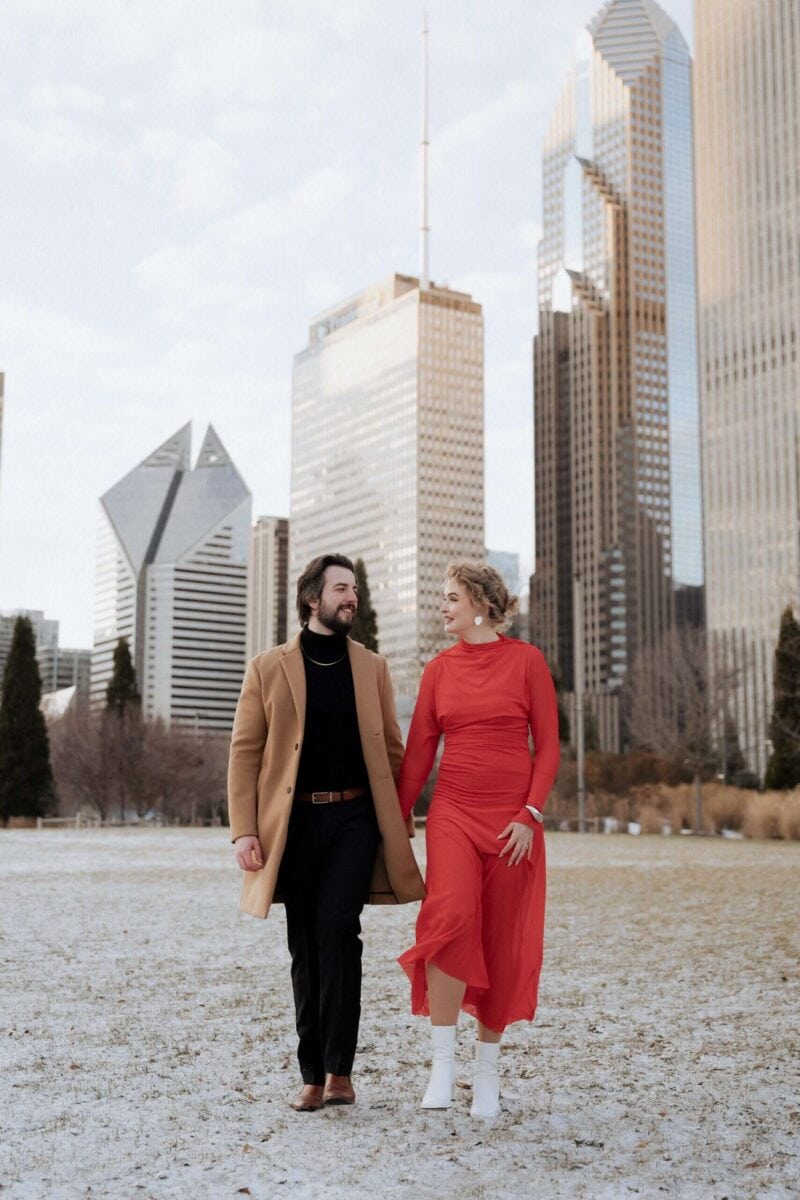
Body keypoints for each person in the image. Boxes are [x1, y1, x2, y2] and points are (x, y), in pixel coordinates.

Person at [228, 553, 424, 1113]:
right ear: (313, 599)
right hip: (293, 824)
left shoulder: (373, 667)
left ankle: (341, 1071)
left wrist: (400, 816)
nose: (352, 597)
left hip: (355, 819)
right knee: (305, 945)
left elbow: (391, 747)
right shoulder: (268, 667)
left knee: (340, 930)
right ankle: (311, 1074)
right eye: (342, 588)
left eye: (355, 589)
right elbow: (244, 755)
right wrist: (244, 830)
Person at [396, 560, 560, 1118]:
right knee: (449, 920)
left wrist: (529, 815)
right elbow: (419, 752)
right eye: (442, 597)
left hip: (514, 824)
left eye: (450, 597)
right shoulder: (438, 670)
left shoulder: (527, 662)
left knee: (501, 938)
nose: (442, 606)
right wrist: (396, 815)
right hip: (453, 816)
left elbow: (550, 748)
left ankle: (486, 1072)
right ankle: (443, 1066)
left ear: (482, 604)